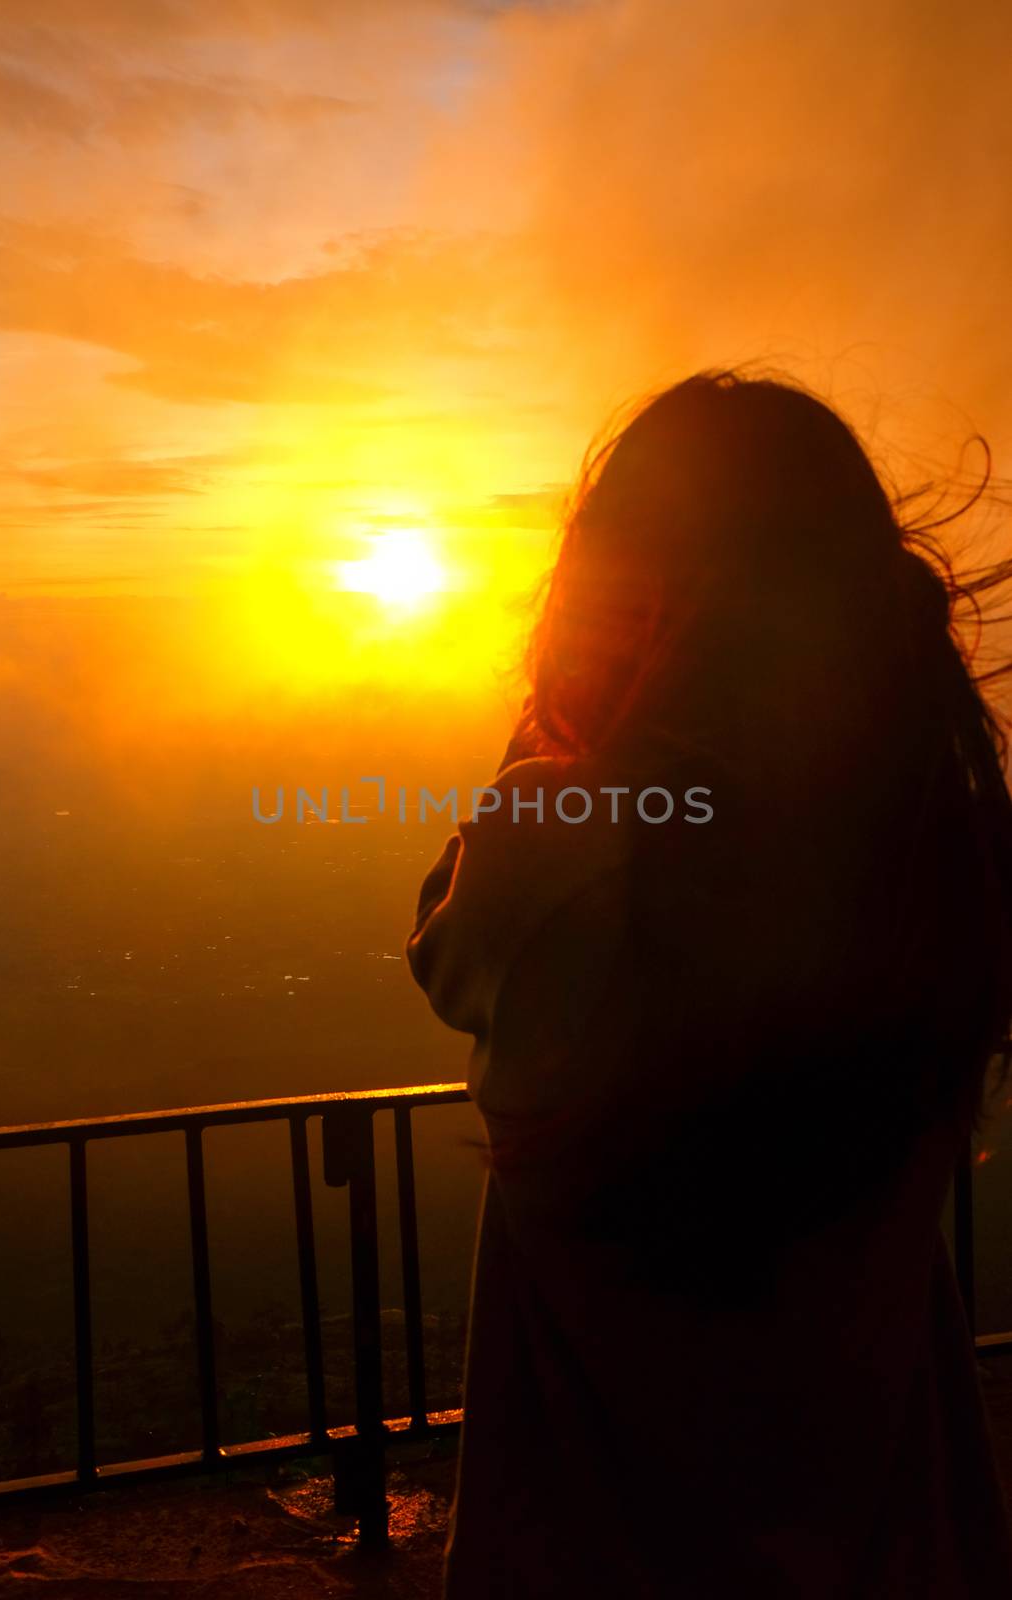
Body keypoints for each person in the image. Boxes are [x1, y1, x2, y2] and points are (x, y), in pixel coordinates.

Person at [406, 370, 1012, 1597]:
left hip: (592, 1540)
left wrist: (562, 722)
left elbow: (443, 948)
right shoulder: (937, 849)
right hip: (886, 1530)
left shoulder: (560, 840)